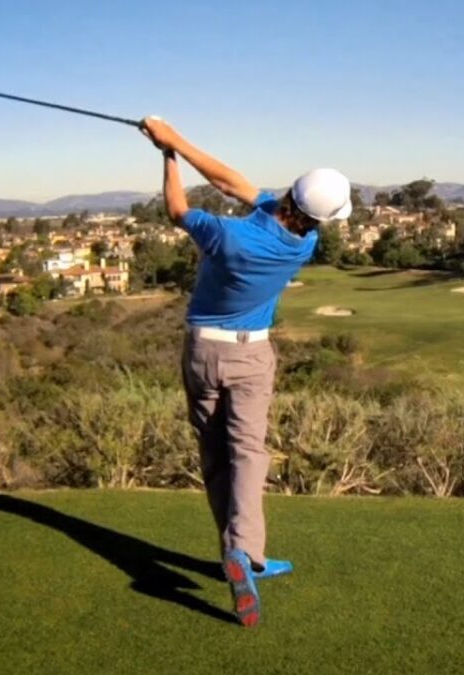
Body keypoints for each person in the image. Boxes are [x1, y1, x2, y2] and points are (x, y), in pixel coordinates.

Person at [140, 116, 352, 627]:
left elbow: (179, 209)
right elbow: (230, 183)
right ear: (318, 219)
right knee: (248, 452)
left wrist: (168, 152)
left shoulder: (229, 235)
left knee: (214, 453)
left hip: (202, 351)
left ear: (290, 194)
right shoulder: (303, 245)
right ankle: (245, 554)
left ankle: (237, 554)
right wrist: (175, 142)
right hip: (252, 356)